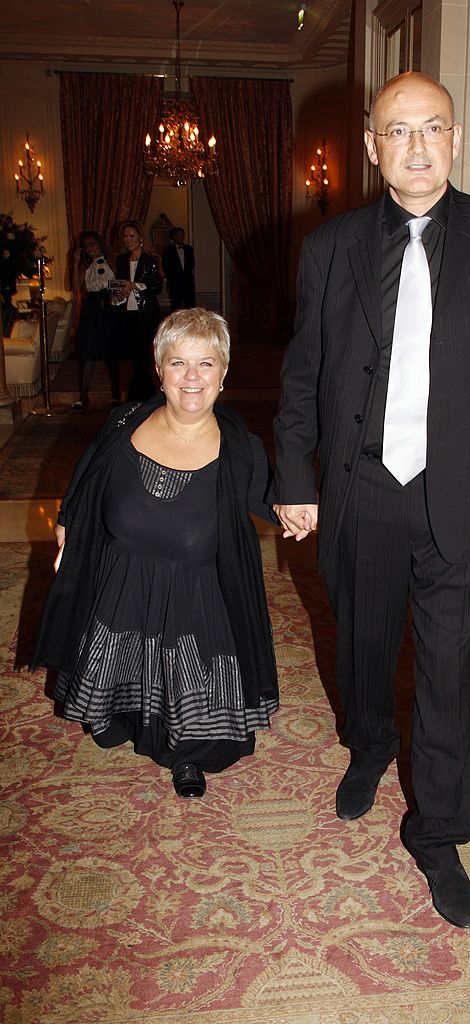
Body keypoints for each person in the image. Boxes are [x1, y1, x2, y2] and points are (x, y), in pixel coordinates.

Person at [272, 72, 470, 929]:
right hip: (360, 490)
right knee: (362, 649)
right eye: (397, 132)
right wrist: (294, 477)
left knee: (446, 670)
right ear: (373, 147)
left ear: (457, 136)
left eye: (431, 127)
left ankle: (437, 834)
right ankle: (369, 746)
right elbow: (301, 376)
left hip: (459, 493)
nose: (416, 145)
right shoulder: (329, 248)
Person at [32, 308, 279, 799]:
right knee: (114, 679)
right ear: (159, 369)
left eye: (206, 364)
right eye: (178, 363)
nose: (192, 377)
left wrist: (306, 506)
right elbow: (85, 480)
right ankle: (121, 715)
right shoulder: (123, 422)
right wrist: (68, 526)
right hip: (122, 583)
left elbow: (275, 500)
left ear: (224, 374)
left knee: (200, 711)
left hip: (197, 596)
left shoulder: (239, 448)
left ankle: (184, 752)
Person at [111, 221, 162, 401]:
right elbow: (118, 285)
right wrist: (118, 294)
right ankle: (141, 393)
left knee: (143, 355)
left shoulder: (151, 261)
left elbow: (156, 288)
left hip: (145, 313)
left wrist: (135, 286)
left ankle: (141, 394)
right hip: (126, 312)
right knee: (133, 355)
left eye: (132, 236)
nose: (128, 240)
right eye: (125, 236)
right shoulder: (121, 260)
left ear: (140, 238)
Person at [71, 231, 118, 410]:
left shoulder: (112, 261)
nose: (90, 249)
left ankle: (115, 395)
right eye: (86, 246)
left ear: (99, 243)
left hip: (109, 306)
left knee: (111, 352)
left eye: (93, 244)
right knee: (87, 353)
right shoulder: (84, 266)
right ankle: (83, 396)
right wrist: (75, 263)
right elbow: (75, 287)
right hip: (91, 308)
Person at [162, 227, 196, 310]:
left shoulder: (189, 249)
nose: (181, 237)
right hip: (175, 283)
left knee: (190, 305)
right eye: (179, 235)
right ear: (174, 237)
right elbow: (166, 266)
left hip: (188, 282)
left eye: (182, 235)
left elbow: (192, 264)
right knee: (176, 305)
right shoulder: (168, 250)